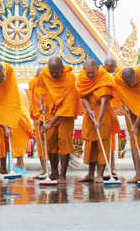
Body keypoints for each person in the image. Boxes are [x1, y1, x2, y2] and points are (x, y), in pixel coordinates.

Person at [35, 56, 80, 184]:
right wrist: (41, 105)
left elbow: (67, 106)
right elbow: (40, 90)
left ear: (62, 68)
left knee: (64, 143)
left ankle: (62, 175)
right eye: (52, 72)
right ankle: (54, 172)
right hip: (50, 110)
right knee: (50, 142)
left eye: (57, 72)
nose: (54, 75)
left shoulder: (70, 78)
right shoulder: (44, 73)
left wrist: (50, 123)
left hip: (65, 115)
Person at [76, 59, 120, 183]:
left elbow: (104, 102)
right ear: (84, 70)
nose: (90, 75)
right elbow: (83, 96)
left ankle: (99, 175)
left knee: (103, 146)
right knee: (90, 146)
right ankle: (90, 174)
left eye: (93, 73)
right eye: (88, 73)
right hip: (90, 116)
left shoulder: (105, 78)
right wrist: (88, 110)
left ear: (98, 70)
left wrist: (99, 120)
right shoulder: (82, 77)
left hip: (103, 115)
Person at [28, 67, 46, 178]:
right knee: (40, 146)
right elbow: (33, 100)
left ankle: (54, 170)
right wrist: (37, 117)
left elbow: (50, 100)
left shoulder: (49, 82)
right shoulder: (32, 83)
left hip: (49, 118)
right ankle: (44, 170)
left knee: (53, 146)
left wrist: (42, 118)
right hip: (37, 117)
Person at [10, 88, 34, 170]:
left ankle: (20, 164)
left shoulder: (10, 91)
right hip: (24, 117)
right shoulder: (22, 91)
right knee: (20, 141)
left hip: (17, 118)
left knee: (17, 142)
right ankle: (20, 163)